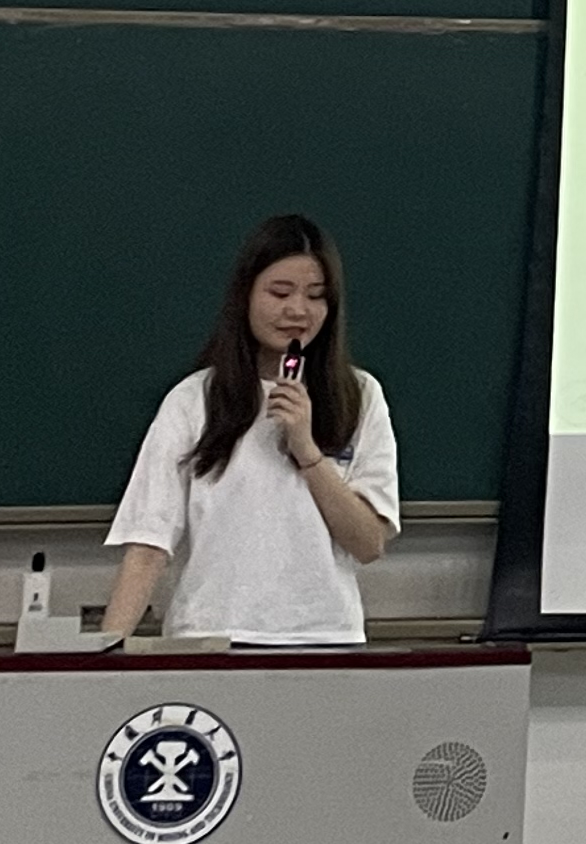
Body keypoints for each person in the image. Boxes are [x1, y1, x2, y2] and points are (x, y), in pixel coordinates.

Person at [100, 212, 399, 647]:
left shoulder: (360, 395)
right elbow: (148, 548)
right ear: (245, 295)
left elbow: (369, 544)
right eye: (280, 292)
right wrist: (102, 656)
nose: (297, 310)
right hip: (210, 639)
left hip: (325, 639)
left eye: (316, 296)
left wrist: (307, 450)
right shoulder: (194, 399)